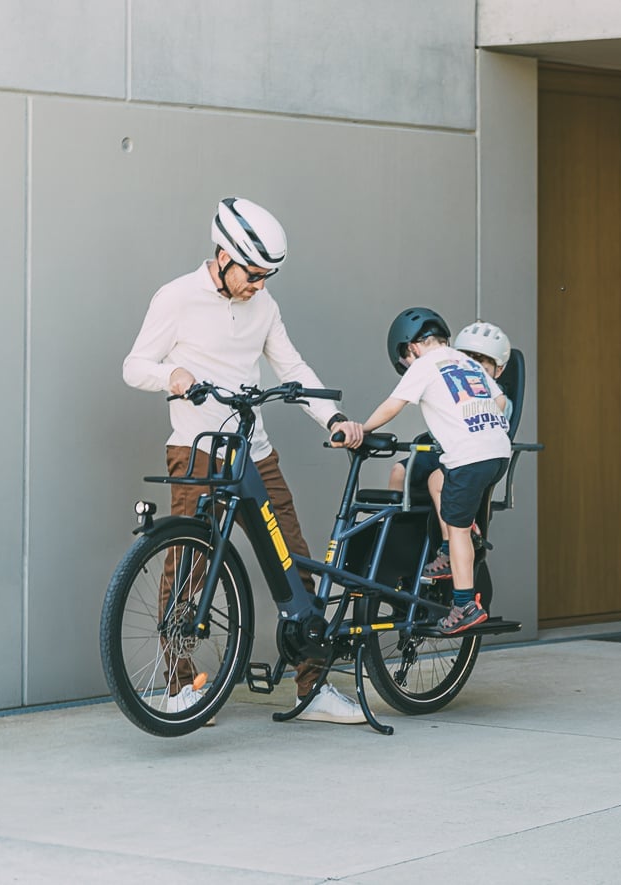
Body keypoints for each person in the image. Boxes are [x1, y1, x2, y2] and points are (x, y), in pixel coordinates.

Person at [123, 196, 366, 723]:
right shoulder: (177, 297)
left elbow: (292, 367)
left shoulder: (264, 305)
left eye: (267, 276)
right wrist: (171, 376)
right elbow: (134, 364)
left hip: (254, 452)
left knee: (294, 561)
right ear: (223, 256)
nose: (259, 284)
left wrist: (333, 418)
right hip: (198, 450)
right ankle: (179, 686)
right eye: (252, 274)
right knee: (187, 566)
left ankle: (312, 688)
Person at [354, 308, 511, 634]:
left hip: (469, 458)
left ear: (411, 347)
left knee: (457, 529)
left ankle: (465, 604)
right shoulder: (466, 362)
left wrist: (362, 429)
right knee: (437, 479)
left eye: (405, 360)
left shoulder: (424, 365)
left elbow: (393, 405)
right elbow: (499, 402)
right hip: (498, 453)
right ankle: (450, 549)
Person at [386, 321, 513, 580]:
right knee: (399, 471)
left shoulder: (495, 399)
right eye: (469, 357)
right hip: (442, 450)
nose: (474, 365)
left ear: (498, 370)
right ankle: (397, 537)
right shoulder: (448, 375)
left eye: (482, 361)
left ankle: (447, 546)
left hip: (468, 457)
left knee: (438, 479)